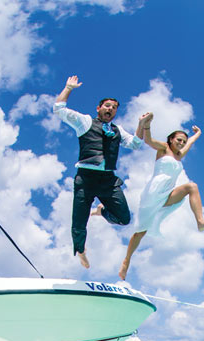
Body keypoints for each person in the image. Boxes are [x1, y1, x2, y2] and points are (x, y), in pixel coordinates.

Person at [53, 75, 149, 268]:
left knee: (124, 218)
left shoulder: (118, 130)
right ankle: (81, 250)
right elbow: (59, 109)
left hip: (107, 180)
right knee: (79, 222)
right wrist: (68, 88)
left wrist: (141, 125)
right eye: (107, 105)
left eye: (114, 107)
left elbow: (136, 144)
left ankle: (101, 211)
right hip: (86, 179)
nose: (110, 109)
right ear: (99, 108)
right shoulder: (85, 122)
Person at [118, 112, 204, 280]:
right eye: (179, 140)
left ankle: (200, 222)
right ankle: (126, 261)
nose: (182, 143)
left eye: (184, 141)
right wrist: (148, 124)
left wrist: (198, 134)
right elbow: (148, 141)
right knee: (140, 232)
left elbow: (191, 142)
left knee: (191, 187)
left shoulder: (180, 155)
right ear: (171, 139)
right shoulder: (163, 148)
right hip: (153, 193)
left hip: (168, 193)